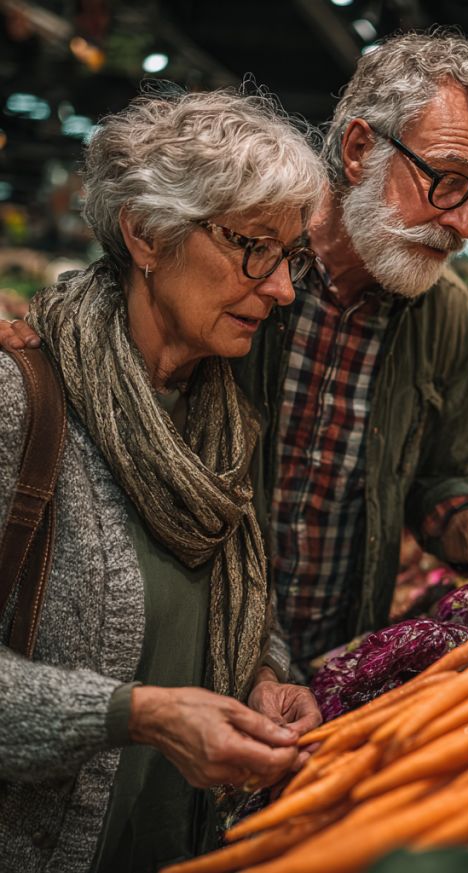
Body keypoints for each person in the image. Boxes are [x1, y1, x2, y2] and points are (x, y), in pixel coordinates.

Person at [1, 31, 468, 673]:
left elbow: (443, 474)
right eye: (447, 181)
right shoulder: (239, 268)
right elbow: (113, 316)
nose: (465, 223)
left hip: (336, 661)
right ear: (360, 147)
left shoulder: (445, 314)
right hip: (193, 651)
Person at [0, 88, 325, 873]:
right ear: (146, 234)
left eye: (293, 257)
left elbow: (218, 601)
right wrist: (135, 714)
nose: (281, 289)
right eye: (254, 247)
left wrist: (262, 670)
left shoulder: (222, 420)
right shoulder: (20, 401)